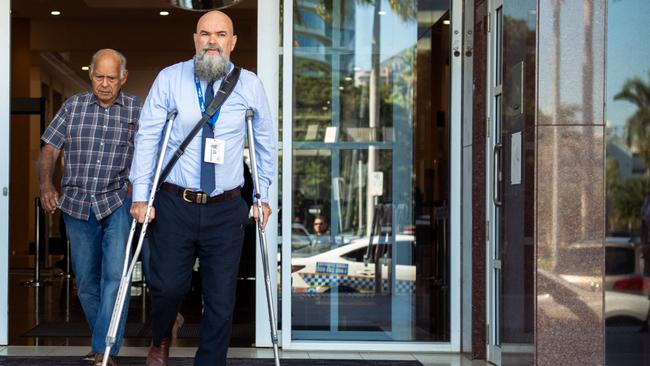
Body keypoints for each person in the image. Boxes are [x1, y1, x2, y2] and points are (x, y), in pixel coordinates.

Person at [129, 10, 276, 366]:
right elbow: (148, 137)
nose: (212, 41)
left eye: (221, 34)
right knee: (168, 288)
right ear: (195, 40)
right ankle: (161, 336)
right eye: (205, 34)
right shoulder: (169, 79)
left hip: (226, 207)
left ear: (232, 42)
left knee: (222, 299)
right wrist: (140, 194)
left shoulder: (250, 85)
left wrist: (264, 194)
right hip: (174, 202)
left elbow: (264, 143)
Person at [38, 48, 140, 366]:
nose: (105, 84)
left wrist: (138, 188)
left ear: (123, 78)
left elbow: (148, 154)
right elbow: (50, 149)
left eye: (112, 77)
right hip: (77, 203)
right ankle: (102, 343)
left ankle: (105, 350)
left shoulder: (137, 110)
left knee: (114, 277)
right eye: (99, 76)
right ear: (90, 74)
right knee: (85, 283)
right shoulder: (73, 107)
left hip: (117, 201)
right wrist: (46, 184)